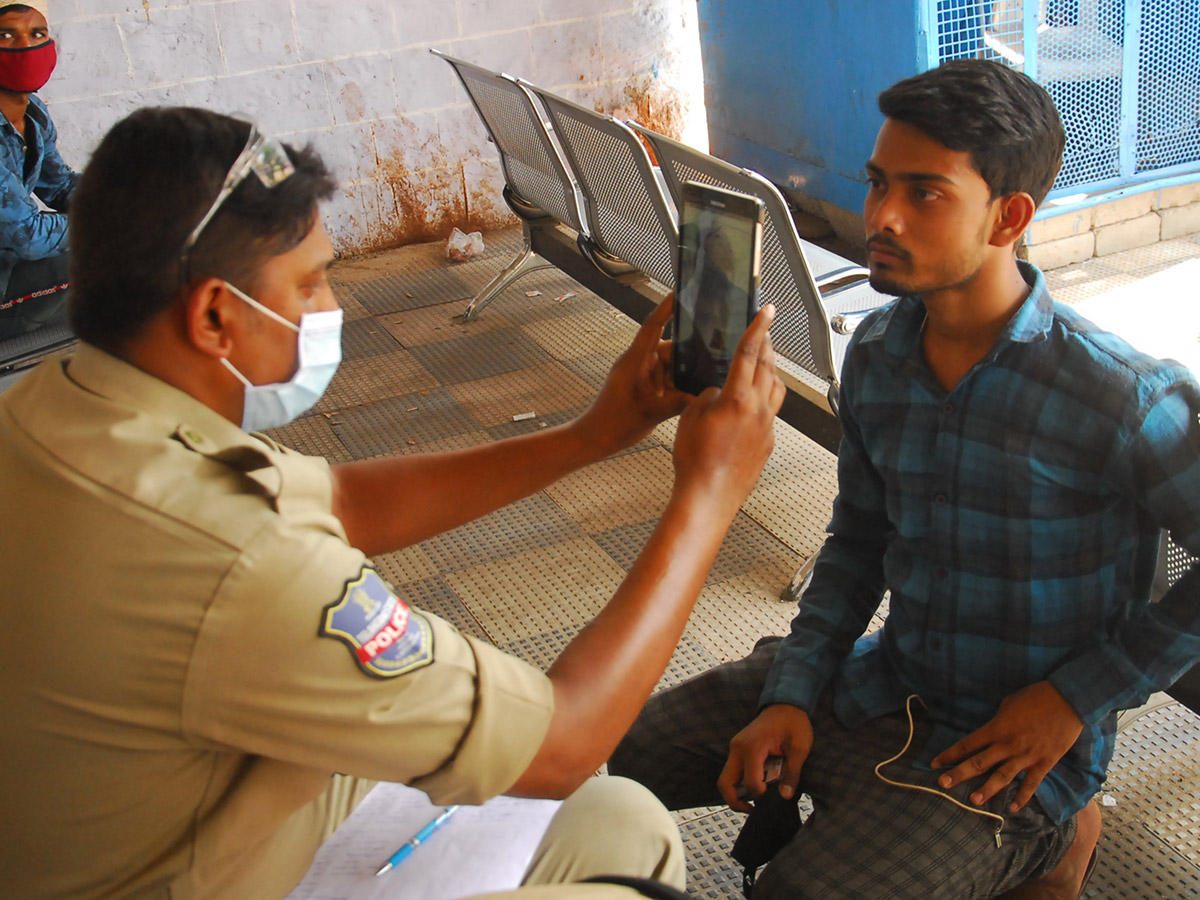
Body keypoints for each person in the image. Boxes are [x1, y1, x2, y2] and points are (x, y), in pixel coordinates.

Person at [0, 106, 785, 899]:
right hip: (201, 870)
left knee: (620, 818)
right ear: (212, 316)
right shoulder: (238, 563)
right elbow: (564, 743)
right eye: (308, 283)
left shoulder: (60, 410)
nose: (329, 305)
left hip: (183, 818)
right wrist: (710, 493)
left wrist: (590, 435)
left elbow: (337, 498)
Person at [610, 58, 1200, 900]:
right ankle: (870, 813)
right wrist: (794, 691)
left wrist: (1075, 701)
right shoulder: (881, 354)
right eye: (879, 182)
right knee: (626, 752)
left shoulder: (1119, 395)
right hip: (889, 679)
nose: (880, 216)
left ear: (1010, 216)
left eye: (925, 193)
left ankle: (1060, 833)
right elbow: (856, 543)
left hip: (1010, 748)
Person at [0, 0, 76, 340]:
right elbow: (28, 235)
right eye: (6, 36)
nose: (26, 47)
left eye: (36, 34)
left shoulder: (33, 112)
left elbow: (58, 187)